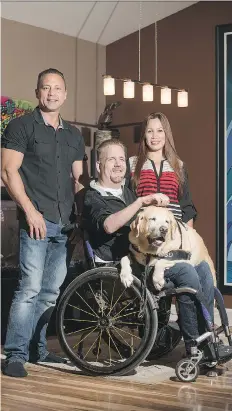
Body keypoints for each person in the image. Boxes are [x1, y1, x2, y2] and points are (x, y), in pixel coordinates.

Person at [83, 138, 231, 359]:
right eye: (111, 159)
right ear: (98, 165)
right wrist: (141, 202)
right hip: (121, 265)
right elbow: (109, 225)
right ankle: (194, 345)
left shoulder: (126, 193)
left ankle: (207, 337)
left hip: (144, 257)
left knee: (202, 271)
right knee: (186, 272)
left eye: (121, 159)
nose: (117, 164)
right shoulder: (93, 196)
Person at [1, 68, 86, 378]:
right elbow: (8, 172)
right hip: (36, 221)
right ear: (37, 93)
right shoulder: (21, 126)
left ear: (65, 94)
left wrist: (83, 217)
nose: (52, 93)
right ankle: (15, 354)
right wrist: (30, 211)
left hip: (66, 226)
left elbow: (78, 180)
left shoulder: (74, 134)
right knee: (29, 289)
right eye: (45, 88)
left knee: (50, 292)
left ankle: (39, 351)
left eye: (57, 88)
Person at [127, 112, 215, 319]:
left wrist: (188, 241)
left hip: (175, 239)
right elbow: (129, 203)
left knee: (206, 276)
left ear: (167, 134)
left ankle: (207, 333)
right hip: (146, 240)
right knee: (186, 279)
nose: (155, 136)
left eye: (160, 131)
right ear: (144, 135)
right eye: (150, 131)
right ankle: (189, 338)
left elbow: (187, 207)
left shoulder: (179, 166)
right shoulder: (132, 165)